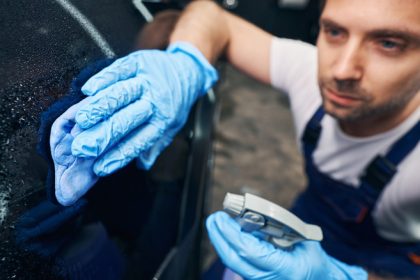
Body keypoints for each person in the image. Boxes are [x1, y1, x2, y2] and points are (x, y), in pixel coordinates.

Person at [64, 0, 420, 279]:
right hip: (309, 222)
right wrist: (185, 62)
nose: (341, 70)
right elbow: (212, 16)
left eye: (388, 43)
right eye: (334, 31)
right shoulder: (310, 71)